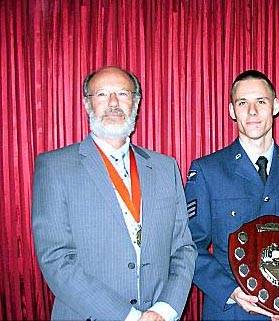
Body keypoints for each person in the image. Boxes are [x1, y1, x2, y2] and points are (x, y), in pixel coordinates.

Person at [32, 66, 197, 321]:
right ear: (87, 104)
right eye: (101, 94)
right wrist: (127, 316)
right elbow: (56, 258)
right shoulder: (55, 167)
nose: (112, 103)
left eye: (122, 93)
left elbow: (184, 249)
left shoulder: (166, 167)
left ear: (136, 103)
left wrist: (164, 310)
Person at [184, 70, 279, 321]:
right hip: (230, 312)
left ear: (276, 106)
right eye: (243, 103)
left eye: (261, 101)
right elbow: (188, 245)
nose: (252, 112)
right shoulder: (208, 171)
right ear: (231, 110)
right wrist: (231, 292)